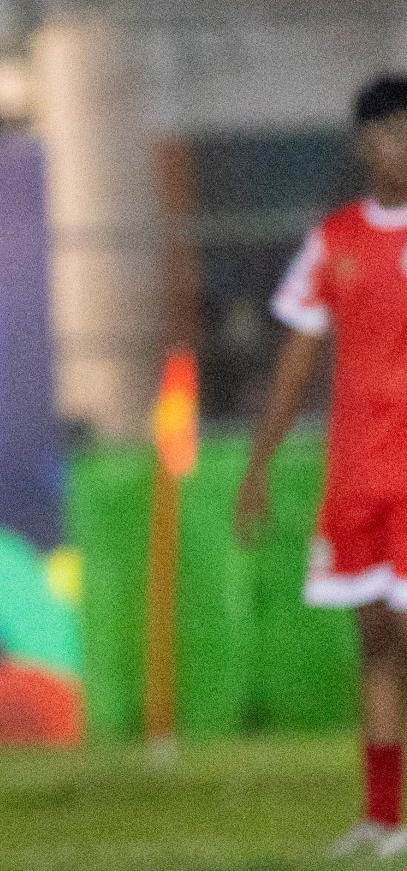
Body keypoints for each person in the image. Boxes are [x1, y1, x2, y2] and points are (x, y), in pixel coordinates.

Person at [237, 75, 407, 859]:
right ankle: (381, 817)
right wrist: (258, 467)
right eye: (388, 132)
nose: (400, 147)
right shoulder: (335, 240)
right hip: (359, 480)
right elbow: (296, 365)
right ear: (362, 144)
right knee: (376, 644)